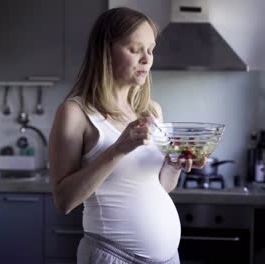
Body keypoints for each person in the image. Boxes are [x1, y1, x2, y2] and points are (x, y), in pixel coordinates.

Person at [49, 7, 206, 264]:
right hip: (112, 256)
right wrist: (118, 149)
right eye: (135, 49)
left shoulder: (152, 111)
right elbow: (64, 200)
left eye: (150, 50)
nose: (146, 59)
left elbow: (160, 186)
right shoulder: (75, 113)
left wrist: (175, 164)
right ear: (105, 52)